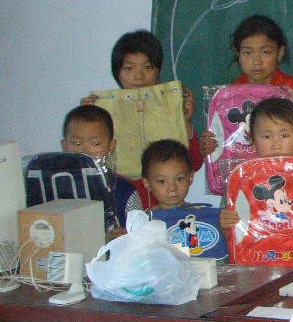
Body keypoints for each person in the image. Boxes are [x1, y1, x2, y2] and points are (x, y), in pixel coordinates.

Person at [219, 98, 293, 298]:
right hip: (257, 275)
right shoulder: (243, 178)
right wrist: (226, 224)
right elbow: (234, 236)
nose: (276, 143)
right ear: (251, 139)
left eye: (284, 135)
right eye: (266, 136)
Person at [82, 30, 202, 206]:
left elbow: (194, 163)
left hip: (164, 208)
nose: (139, 76)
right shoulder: (106, 111)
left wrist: (185, 122)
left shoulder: (169, 106)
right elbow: (90, 163)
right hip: (121, 203)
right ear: (117, 72)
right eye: (129, 68)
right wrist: (88, 120)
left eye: (148, 67)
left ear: (158, 70)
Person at [198, 14, 293, 165]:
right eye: (247, 52)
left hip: (286, 175)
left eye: (265, 52)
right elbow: (224, 144)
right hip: (241, 176)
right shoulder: (230, 96)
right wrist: (211, 147)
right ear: (238, 53)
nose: (256, 61)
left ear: (280, 53)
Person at [61, 104, 142, 235]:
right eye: (76, 143)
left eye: (95, 143)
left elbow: (142, 235)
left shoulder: (124, 190)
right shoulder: (53, 187)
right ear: (64, 145)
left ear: (111, 146)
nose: (84, 150)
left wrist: (128, 236)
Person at [140, 139, 194, 210]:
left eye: (179, 179)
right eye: (162, 181)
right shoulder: (143, 216)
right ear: (147, 183)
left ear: (190, 178)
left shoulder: (202, 214)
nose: (172, 188)